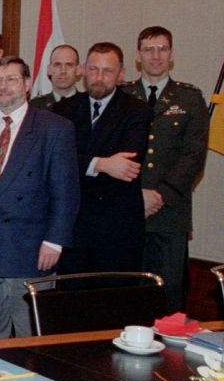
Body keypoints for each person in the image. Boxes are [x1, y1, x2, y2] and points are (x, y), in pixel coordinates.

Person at [0, 56, 79, 340]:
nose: (3, 87)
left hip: (32, 251)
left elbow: (65, 192)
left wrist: (54, 241)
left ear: (28, 84)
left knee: (31, 337)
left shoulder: (54, 128)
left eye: (11, 79)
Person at [123, 26, 208, 311]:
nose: (155, 56)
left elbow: (194, 155)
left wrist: (159, 194)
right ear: (138, 56)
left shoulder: (189, 98)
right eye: (148, 49)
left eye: (162, 49)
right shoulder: (123, 97)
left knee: (168, 295)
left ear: (171, 54)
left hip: (170, 215)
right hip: (128, 212)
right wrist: (137, 195)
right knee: (127, 294)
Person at [56, 42, 153, 275]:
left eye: (107, 71)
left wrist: (78, 162)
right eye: (93, 69)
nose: (99, 77)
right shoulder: (63, 110)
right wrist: (101, 164)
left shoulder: (137, 111)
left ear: (121, 74)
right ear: (82, 70)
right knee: (71, 302)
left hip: (117, 231)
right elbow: (56, 161)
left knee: (113, 305)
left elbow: (126, 168)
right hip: (74, 227)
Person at [32, 44, 81, 110]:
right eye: (57, 65)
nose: (63, 71)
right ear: (49, 70)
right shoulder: (35, 106)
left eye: (69, 65)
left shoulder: (89, 106)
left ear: (78, 70)